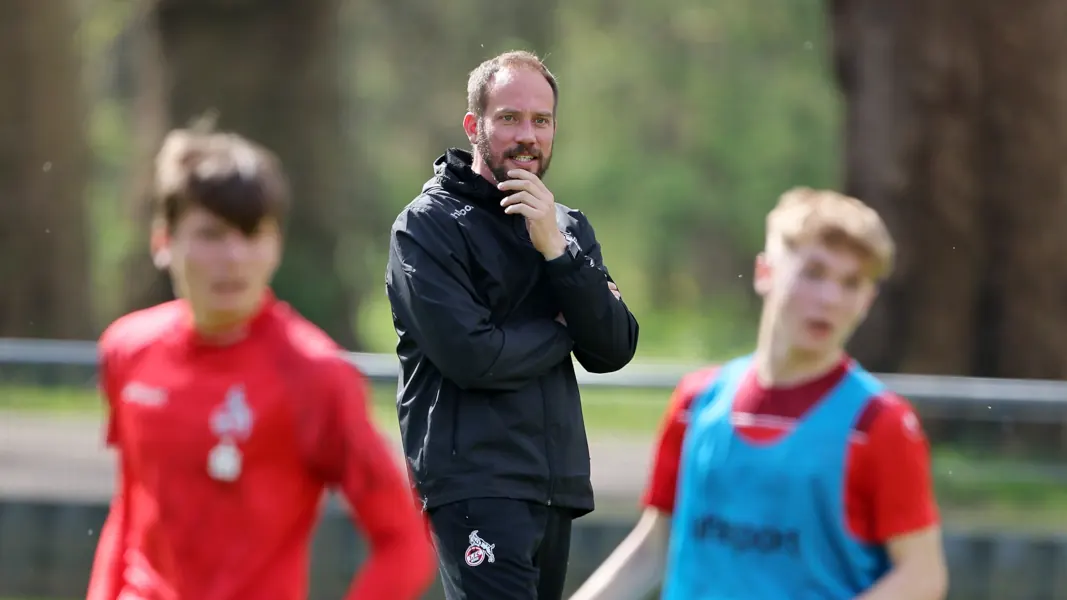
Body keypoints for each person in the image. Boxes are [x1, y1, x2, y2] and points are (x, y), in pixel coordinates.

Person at [86, 126, 435, 600]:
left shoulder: (315, 374)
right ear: (163, 240)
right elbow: (130, 504)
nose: (233, 258)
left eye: (252, 235)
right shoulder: (127, 349)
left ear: (276, 245)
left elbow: (404, 543)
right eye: (210, 235)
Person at [570, 188, 948, 600]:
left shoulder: (880, 424)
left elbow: (922, 576)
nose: (829, 298)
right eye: (813, 272)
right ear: (765, 272)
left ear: (868, 301)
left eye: (851, 283)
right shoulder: (697, 403)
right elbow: (653, 547)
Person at [385, 50, 640, 600]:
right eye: (509, 118)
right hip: (473, 484)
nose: (528, 135)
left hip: (556, 484)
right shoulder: (426, 226)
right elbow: (473, 356)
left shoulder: (564, 225)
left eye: (541, 121)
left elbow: (614, 346)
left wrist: (558, 252)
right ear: (474, 126)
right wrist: (564, 327)